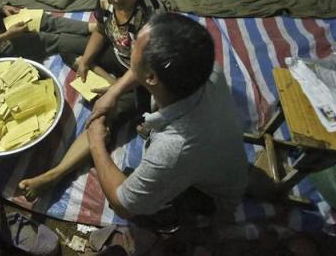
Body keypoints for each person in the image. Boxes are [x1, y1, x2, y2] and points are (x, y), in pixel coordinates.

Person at [19, 0, 165, 199]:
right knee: (66, 45)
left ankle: (55, 174)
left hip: (141, 78)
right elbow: (100, 30)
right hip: (118, 55)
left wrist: (115, 90)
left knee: (102, 115)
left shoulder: (151, 18)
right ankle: (103, 75)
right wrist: (87, 61)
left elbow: (145, 69)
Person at [87, 12, 248, 226]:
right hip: (221, 160)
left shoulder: (173, 149)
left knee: (127, 198)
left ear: (152, 77)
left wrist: (96, 143)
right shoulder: (206, 70)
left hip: (209, 196)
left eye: (135, 45)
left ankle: (196, 223)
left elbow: (122, 206)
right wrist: (113, 92)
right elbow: (144, 70)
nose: (131, 43)